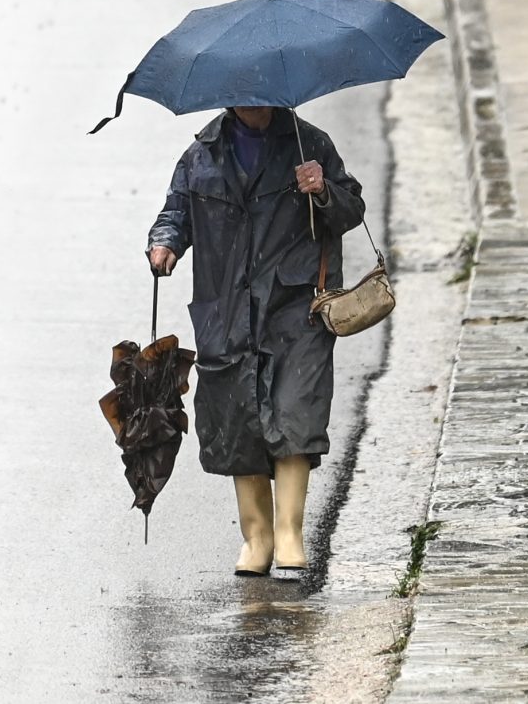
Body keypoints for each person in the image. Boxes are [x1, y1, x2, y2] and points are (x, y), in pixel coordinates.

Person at [146, 105, 365, 578]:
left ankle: (289, 533)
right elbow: (175, 212)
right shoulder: (200, 156)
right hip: (226, 308)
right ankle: (257, 537)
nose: (254, 104)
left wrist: (323, 189)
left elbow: (351, 209)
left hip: (295, 305)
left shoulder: (312, 144)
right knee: (239, 419)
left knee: (295, 410)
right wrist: (164, 243)